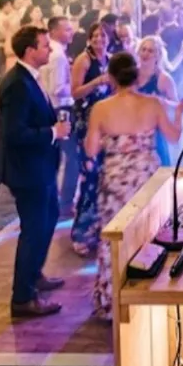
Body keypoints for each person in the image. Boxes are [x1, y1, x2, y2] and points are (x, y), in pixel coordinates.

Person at [85, 52, 183, 320]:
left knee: (114, 239)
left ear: (111, 77)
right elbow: (174, 137)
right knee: (148, 235)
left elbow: (91, 149)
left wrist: (108, 141)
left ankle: (112, 301)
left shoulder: (101, 109)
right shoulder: (153, 104)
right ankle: (150, 298)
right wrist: (179, 115)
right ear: (136, 75)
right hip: (145, 179)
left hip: (116, 182)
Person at [0, 26, 71, 318]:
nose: (50, 49)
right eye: (44, 45)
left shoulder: (29, 78)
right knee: (34, 230)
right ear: (29, 51)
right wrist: (53, 132)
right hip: (27, 170)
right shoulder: (17, 83)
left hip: (40, 167)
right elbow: (14, 134)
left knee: (49, 218)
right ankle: (23, 298)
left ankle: (34, 274)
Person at [70, 24, 113, 256]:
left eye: (103, 35)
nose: (99, 39)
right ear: (89, 39)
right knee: (89, 178)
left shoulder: (111, 59)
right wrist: (97, 82)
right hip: (86, 126)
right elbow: (75, 92)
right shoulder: (84, 60)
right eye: (95, 36)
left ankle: (99, 230)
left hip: (106, 125)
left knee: (102, 178)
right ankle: (80, 234)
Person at [39, 16, 78, 216]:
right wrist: (78, 87)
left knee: (56, 157)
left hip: (50, 108)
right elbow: (58, 88)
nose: (71, 33)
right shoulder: (58, 56)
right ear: (54, 31)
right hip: (60, 109)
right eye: (67, 29)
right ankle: (66, 203)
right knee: (72, 157)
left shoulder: (52, 52)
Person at [136, 36, 179, 167]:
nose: (146, 53)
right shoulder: (131, 75)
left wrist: (162, 102)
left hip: (155, 135)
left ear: (158, 55)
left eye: (150, 51)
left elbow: (177, 105)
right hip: (133, 133)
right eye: (143, 49)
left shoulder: (164, 78)